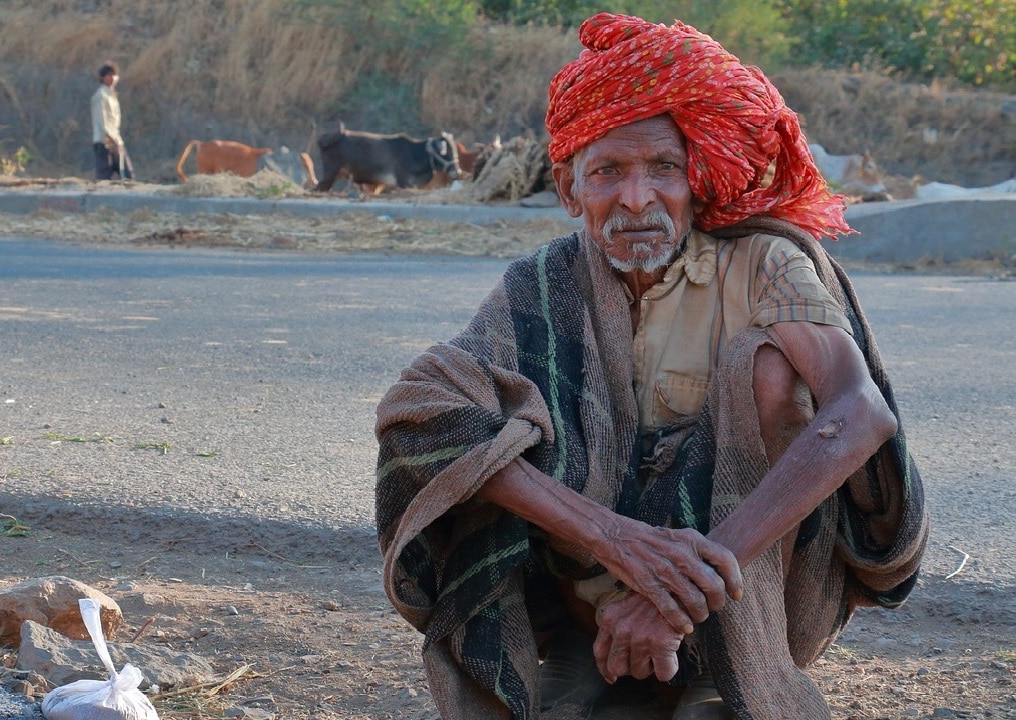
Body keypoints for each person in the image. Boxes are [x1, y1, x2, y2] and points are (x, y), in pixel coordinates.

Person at [374, 13, 927, 720]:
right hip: (584, 593)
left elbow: (860, 410)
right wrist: (617, 543)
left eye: (662, 169)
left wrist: (676, 599)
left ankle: (723, 660)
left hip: (755, 596)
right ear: (572, 192)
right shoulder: (543, 286)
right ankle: (584, 643)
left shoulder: (764, 264)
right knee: (490, 414)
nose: (637, 199)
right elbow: (422, 408)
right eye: (607, 172)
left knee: (770, 373)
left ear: (695, 178)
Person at [90, 61, 133, 180]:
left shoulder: (112, 96)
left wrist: (116, 142)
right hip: (105, 142)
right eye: (109, 75)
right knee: (104, 177)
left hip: (116, 140)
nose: (113, 78)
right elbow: (102, 121)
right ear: (103, 78)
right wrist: (111, 142)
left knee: (128, 176)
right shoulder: (101, 96)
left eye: (115, 75)